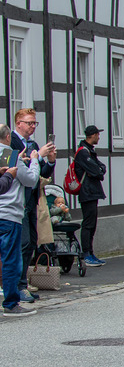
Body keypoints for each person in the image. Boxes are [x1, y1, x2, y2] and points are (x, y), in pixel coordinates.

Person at [11, 110, 56, 299]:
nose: (32, 127)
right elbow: (21, 172)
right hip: (17, 200)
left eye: (34, 123)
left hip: (32, 199)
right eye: (29, 123)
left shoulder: (33, 145)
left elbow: (40, 174)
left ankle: (23, 283)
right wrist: (37, 158)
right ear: (18, 123)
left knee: (31, 242)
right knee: (22, 243)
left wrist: (50, 161)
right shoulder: (12, 142)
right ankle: (18, 286)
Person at [0, 123, 40, 316]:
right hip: (9, 214)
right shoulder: (11, 155)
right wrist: (34, 161)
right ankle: (11, 303)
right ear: (8, 137)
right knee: (10, 260)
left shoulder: (8, 156)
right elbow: (30, 180)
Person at [75, 125, 107, 268]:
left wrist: (98, 170)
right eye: (98, 135)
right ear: (92, 135)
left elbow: (101, 168)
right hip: (87, 192)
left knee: (92, 224)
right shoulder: (83, 152)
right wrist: (98, 171)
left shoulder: (89, 151)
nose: (99, 137)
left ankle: (90, 252)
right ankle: (86, 254)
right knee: (88, 224)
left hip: (92, 192)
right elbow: (97, 170)